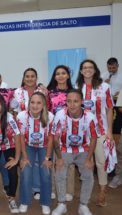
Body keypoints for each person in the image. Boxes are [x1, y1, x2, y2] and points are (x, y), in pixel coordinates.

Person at [51, 89, 98, 215]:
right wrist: (59, 158)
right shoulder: (60, 115)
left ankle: (83, 205)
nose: (72, 105)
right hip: (64, 149)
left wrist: (89, 159)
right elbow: (55, 138)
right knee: (60, 174)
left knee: (88, 176)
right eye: (69, 101)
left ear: (82, 102)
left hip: (83, 150)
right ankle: (61, 204)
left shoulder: (90, 117)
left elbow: (93, 138)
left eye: (76, 101)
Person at [76, 59, 114, 207]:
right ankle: (86, 191)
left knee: (101, 161)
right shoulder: (77, 87)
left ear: (95, 69)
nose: (87, 69)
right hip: (81, 132)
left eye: (90, 67)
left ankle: (103, 191)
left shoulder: (104, 86)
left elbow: (110, 108)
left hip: (100, 131)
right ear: (80, 71)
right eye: (84, 67)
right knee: (84, 162)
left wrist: (110, 131)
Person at [11, 67, 48, 199]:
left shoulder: (42, 91)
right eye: (27, 76)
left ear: (36, 78)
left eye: (32, 76)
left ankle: (37, 188)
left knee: (38, 162)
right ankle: (26, 188)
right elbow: (14, 112)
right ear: (23, 78)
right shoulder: (17, 92)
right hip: (23, 132)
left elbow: (46, 109)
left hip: (40, 132)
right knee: (25, 161)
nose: (30, 78)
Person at [18, 92, 53, 215]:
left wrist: (48, 158)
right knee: (26, 171)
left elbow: (50, 138)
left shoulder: (50, 116)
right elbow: (21, 137)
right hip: (28, 146)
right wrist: (25, 157)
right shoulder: (22, 116)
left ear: (43, 104)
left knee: (45, 172)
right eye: (32, 102)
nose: (35, 105)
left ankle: (45, 202)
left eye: (38, 102)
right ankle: (24, 201)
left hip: (44, 146)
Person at [47, 65, 75, 201]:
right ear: (54, 76)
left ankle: (69, 190)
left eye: (63, 73)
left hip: (70, 132)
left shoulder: (74, 92)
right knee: (52, 160)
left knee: (68, 162)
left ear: (68, 76)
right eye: (57, 73)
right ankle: (52, 189)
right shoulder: (49, 93)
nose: (61, 76)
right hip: (53, 132)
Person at [102, 58, 122, 139]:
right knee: (107, 118)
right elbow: (98, 89)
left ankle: (117, 135)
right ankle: (107, 134)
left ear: (117, 66)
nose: (111, 70)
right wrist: (103, 84)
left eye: (113, 68)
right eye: (109, 68)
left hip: (119, 101)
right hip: (107, 101)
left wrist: (121, 92)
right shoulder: (103, 76)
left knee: (118, 120)